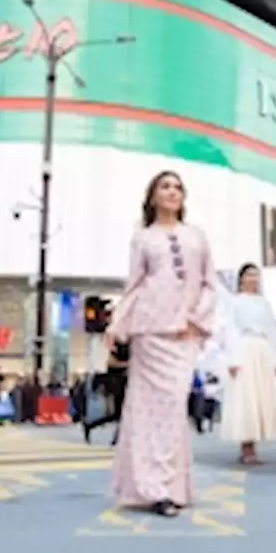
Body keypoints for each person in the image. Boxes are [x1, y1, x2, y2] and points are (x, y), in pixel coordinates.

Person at [105, 170, 215, 518]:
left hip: (183, 334)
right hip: (149, 332)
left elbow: (210, 284)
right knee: (147, 412)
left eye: (177, 187)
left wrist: (196, 320)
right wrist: (117, 325)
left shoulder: (197, 237)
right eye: (164, 186)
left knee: (173, 406)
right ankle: (155, 489)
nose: (172, 191)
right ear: (152, 196)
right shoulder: (143, 239)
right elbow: (135, 285)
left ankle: (171, 485)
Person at [218, 263, 276, 465]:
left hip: (262, 350)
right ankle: (246, 447)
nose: (253, 279)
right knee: (245, 397)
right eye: (249, 275)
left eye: (256, 276)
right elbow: (230, 329)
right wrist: (232, 358)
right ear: (241, 279)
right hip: (244, 348)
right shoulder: (234, 302)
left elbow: (272, 332)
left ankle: (254, 445)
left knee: (259, 398)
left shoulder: (264, 303)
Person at [84, 342, 130, 446]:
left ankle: (116, 438)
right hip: (117, 384)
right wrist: (128, 364)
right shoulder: (118, 348)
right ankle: (92, 426)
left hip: (123, 382)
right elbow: (110, 363)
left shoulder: (129, 348)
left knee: (120, 414)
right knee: (119, 414)